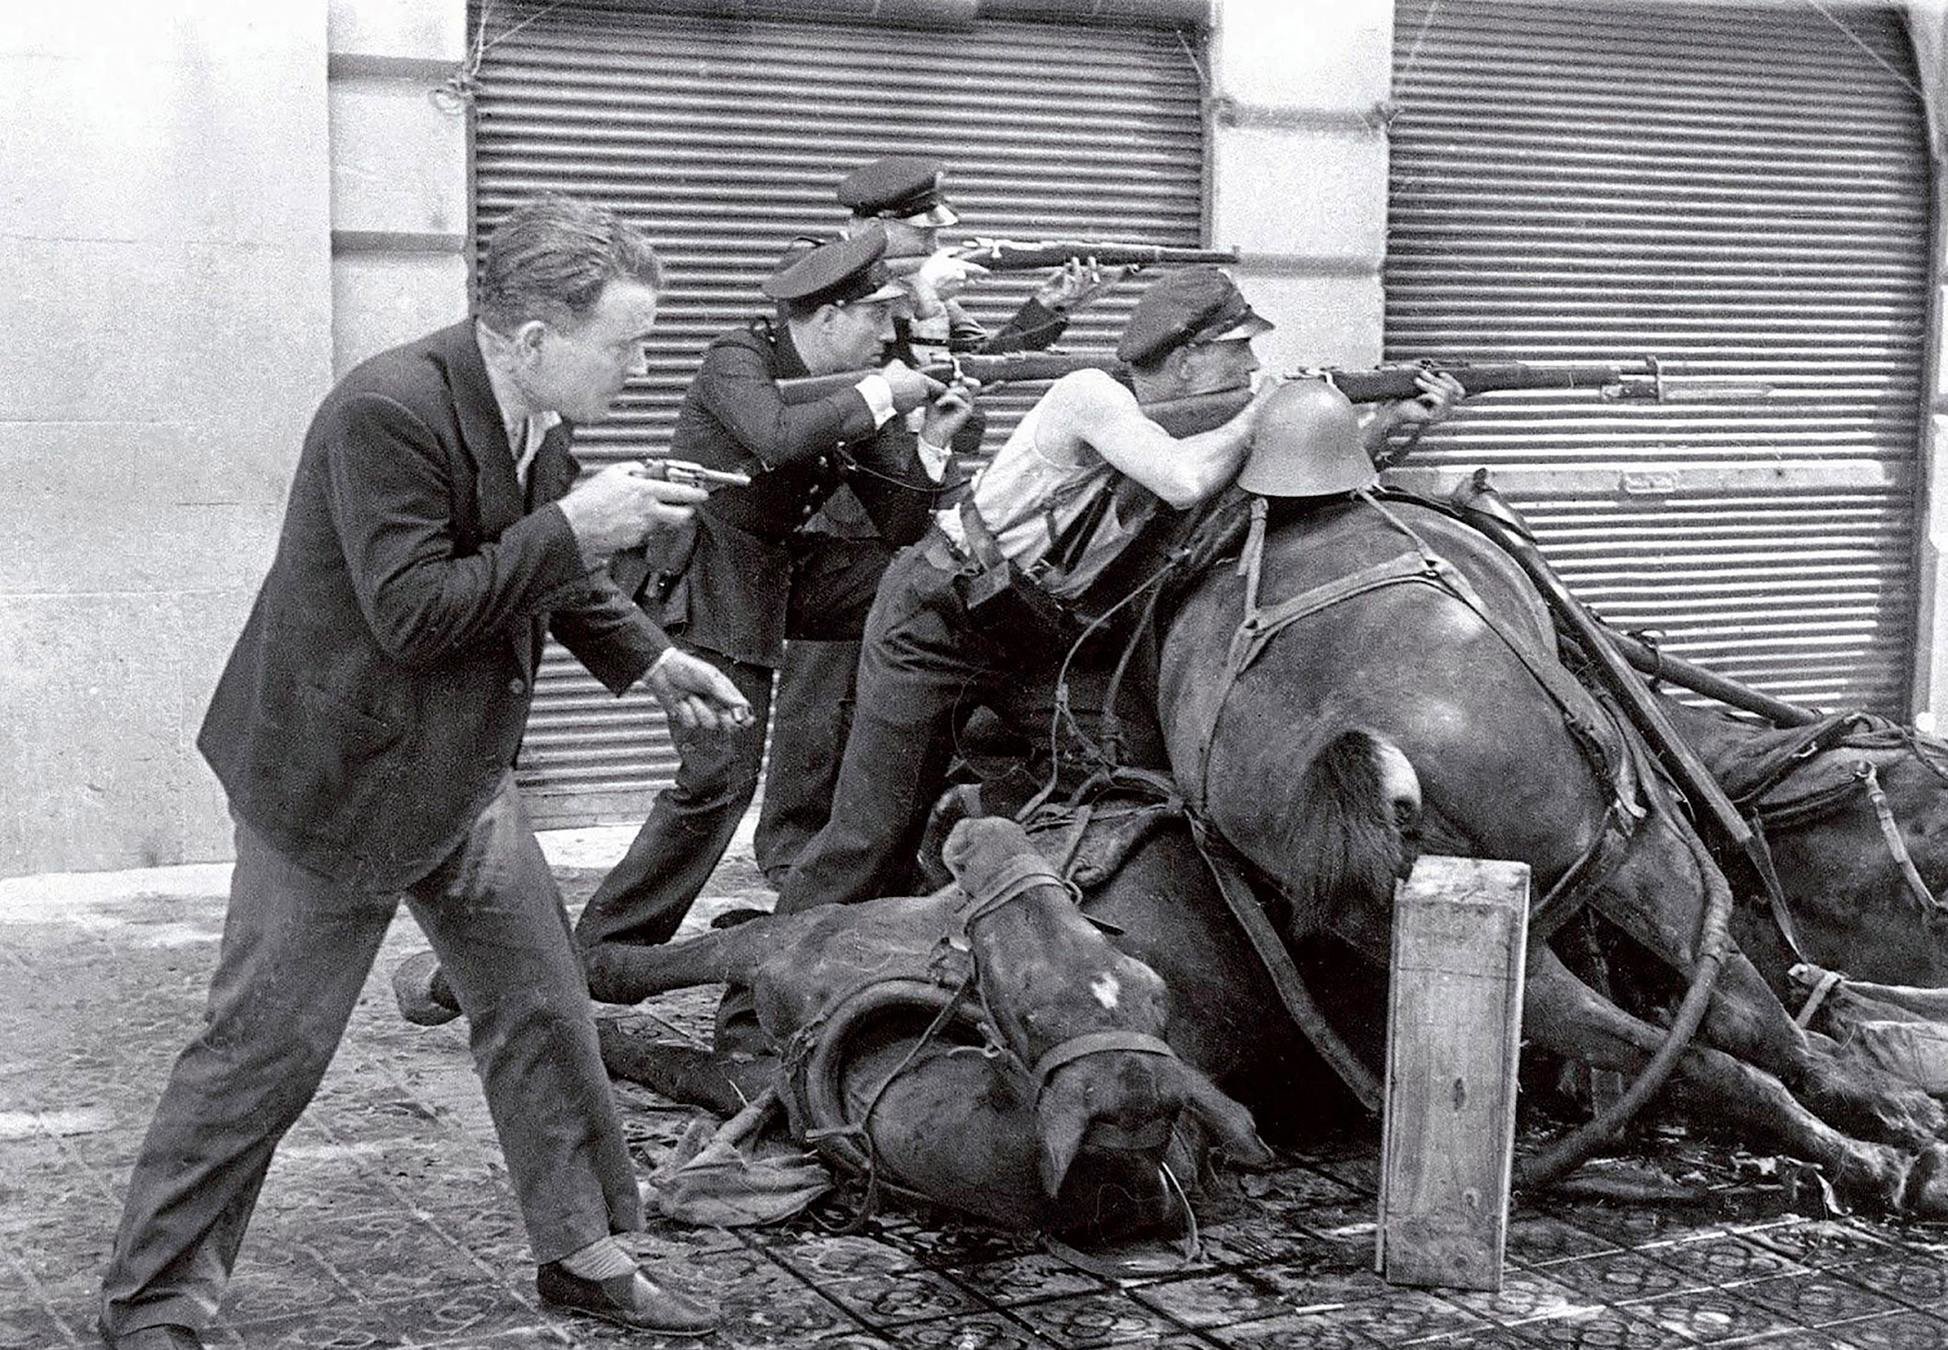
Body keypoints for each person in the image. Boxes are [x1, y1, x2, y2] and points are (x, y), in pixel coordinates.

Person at [96, 195, 750, 1350]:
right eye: (626, 344)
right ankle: (153, 1303)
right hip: (336, 781)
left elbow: (549, 569)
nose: (644, 369)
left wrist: (653, 660)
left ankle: (585, 1254)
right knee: (264, 1050)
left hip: (460, 772)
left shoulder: (531, 408)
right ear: (535, 337)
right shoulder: (387, 410)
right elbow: (413, 612)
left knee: (543, 1008)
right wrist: (577, 526)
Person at [777, 267, 1463, 913]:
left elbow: (1277, 495)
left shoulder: (1199, 430)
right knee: (870, 833)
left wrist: (1386, 425)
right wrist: (1260, 413)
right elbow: (1184, 481)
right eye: (1239, 351)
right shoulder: (1089, 395)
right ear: (1188, 358)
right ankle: (762, 983)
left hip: (1030, 630)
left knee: (1132, 762)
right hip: (936, 614)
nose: (1253, 368)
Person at [753, 153, 1125, 886]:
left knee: (884, 698)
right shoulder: (816, 266)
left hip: (912, 491)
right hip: (842, 504)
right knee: (821, 694)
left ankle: (867, 858)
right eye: (920, 232)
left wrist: (1047, 308)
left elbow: (973, 366)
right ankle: (792, 855)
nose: (934, 242)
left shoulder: (925, 293)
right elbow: (812, 375)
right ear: (873, 225)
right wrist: (921, 288)